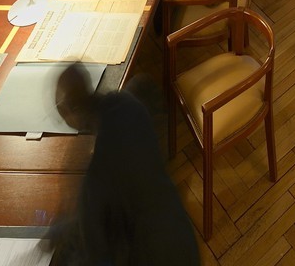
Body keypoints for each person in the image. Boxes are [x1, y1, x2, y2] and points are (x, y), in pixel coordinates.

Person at [51, 63, 200, 266]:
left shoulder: (95, 183)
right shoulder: (127, 104)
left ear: (70, 111)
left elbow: (98, 257)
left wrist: (60, 233)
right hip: (179, 234)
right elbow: (144, 85)